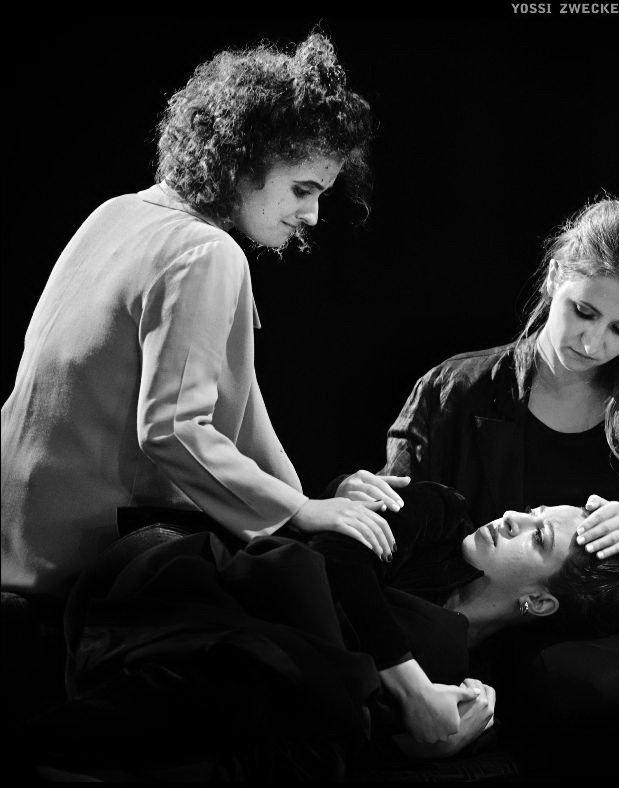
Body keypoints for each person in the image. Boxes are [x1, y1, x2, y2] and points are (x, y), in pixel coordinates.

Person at [1, 32, 401, 602]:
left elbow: (238, 400)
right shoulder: (206, 252)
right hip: (80, 560)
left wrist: (305, 504)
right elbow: (173, 430)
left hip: (13, 535)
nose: (312, 215)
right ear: (244, 159)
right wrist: (299, 511)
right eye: (302, 189)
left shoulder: (115, 212)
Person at [340, 198, 619, 618]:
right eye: (583, 312)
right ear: (553, 277)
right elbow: (392, 533)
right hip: (465, 634)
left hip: (616, 647)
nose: (593, 343)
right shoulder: (455, 390)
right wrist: (354, 502)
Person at [302, 480, 619, 759]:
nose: (511, 518)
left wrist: (420, 749)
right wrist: (411, 687)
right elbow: (335, 551)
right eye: (533, 512)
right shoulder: (441, 510)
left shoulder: (476, 689)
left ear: (538, 602)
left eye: (538, 538)